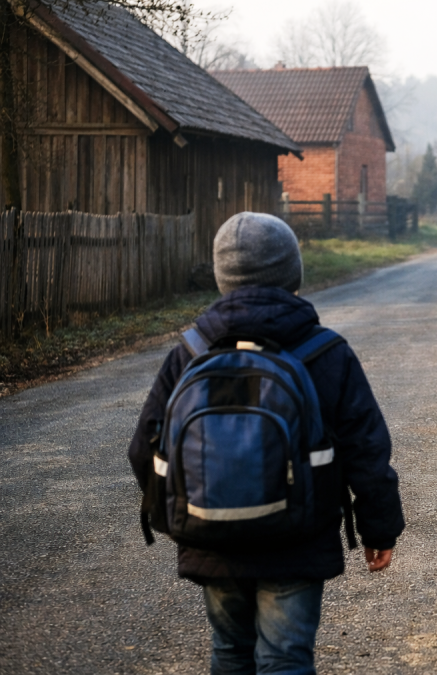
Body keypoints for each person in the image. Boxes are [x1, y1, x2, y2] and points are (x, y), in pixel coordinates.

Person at [128, 212, 405, 674]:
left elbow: (144, 448)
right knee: (285, 658)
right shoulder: (325, 351)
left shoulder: (191, 353)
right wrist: (379, 529)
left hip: (213, 537)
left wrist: (183, 515)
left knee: (230, 652)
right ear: (294, 274)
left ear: (222, 278)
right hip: (298, 538)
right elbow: (367, 450)